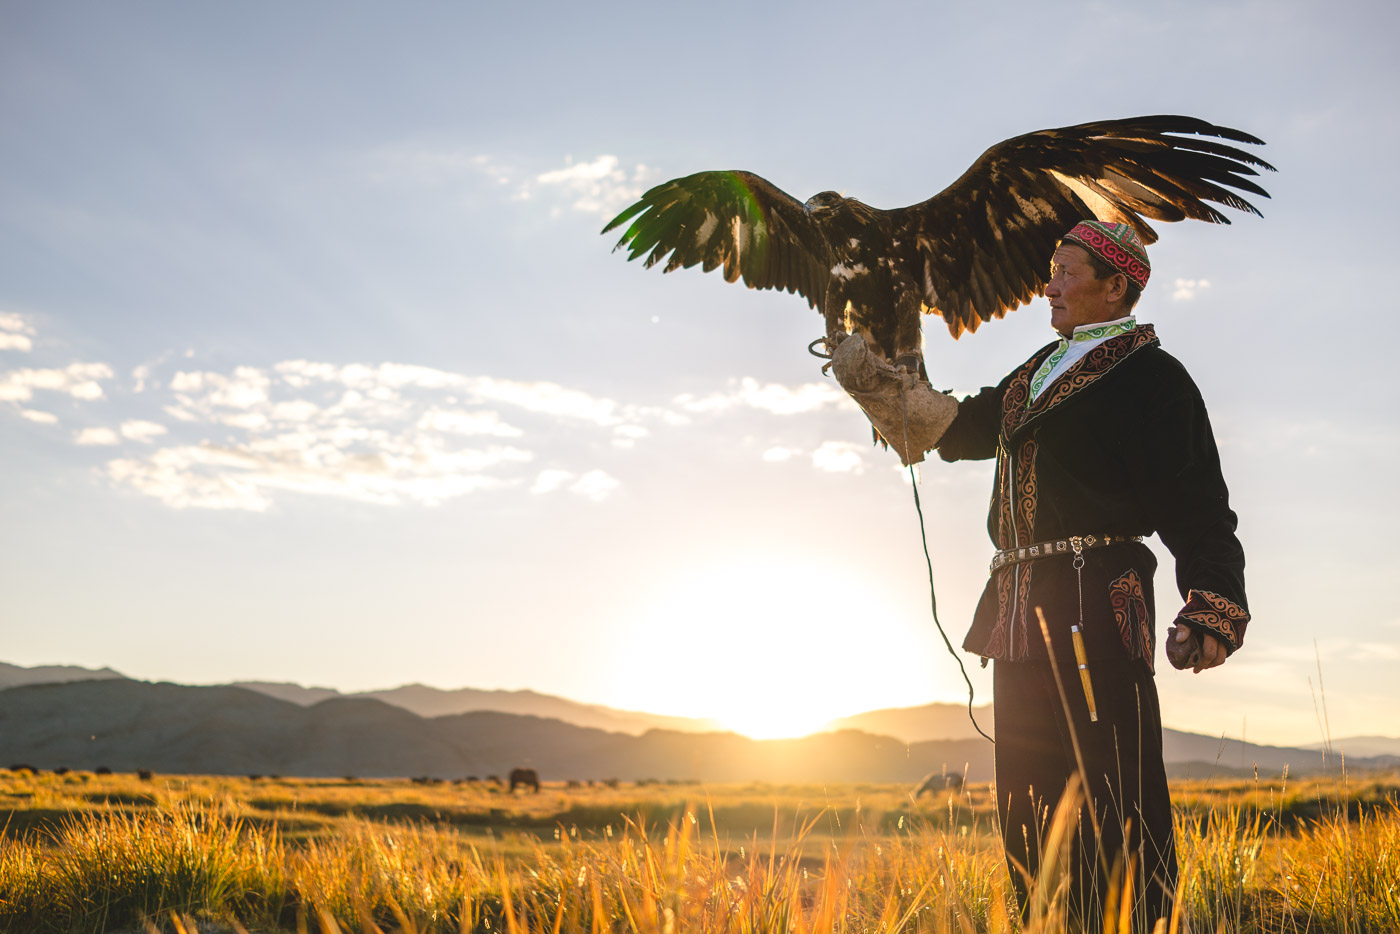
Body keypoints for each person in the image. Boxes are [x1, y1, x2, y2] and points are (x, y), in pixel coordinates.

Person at [934, 220, 1250, 930]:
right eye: (1050, 270)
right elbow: (956, 428)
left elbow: (1198, 499)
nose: (1048, 285)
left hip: (1096, 595)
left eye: (1066, 271)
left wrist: (1213, 608)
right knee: (1027, 799)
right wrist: (884, 387)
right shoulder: (1035, 372)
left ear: (1116, 287)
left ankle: (1138, 924)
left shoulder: (1153, 378)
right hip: (1016, 605)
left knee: (1116, 791)